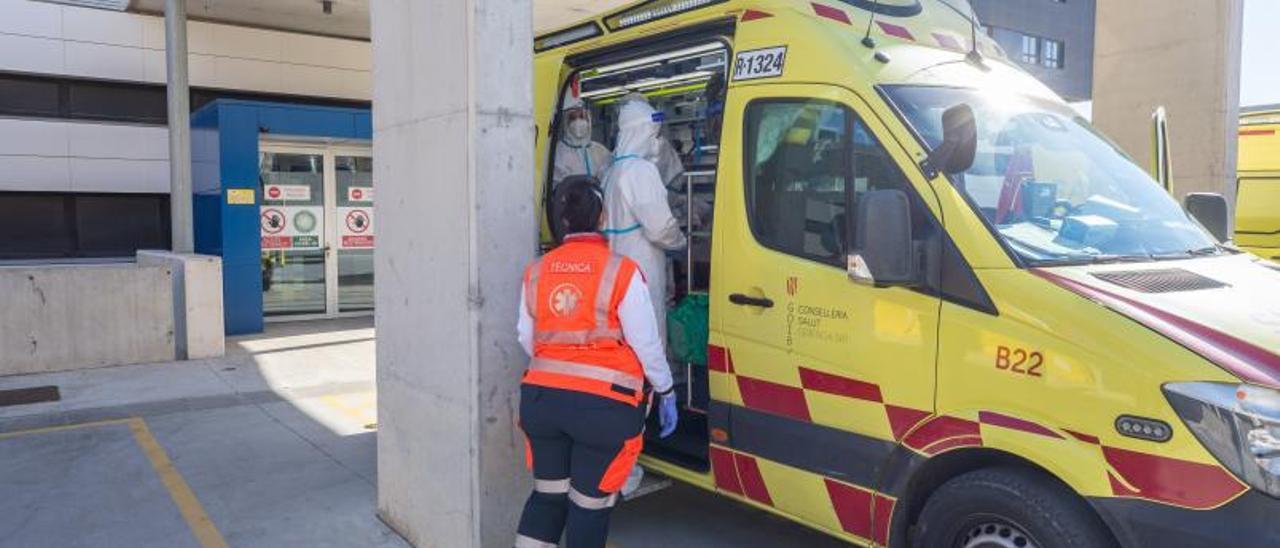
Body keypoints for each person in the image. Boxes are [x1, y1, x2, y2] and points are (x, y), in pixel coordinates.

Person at [515, 178, 679, 548]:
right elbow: (645, 342)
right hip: (604, 409)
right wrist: (666, 389)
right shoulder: (621, 271)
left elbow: (526, 337)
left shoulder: (537, 271)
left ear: (561, 221)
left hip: (542, 401)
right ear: (603, 217)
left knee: (547, 498)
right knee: (590, 504)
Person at [601, 94, 687, 342]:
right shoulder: (641, 171)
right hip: (642, 268)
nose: (657, 141)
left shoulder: (611, 172)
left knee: (624, 332)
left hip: (616, 270)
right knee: (648, 333)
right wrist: (681, 243)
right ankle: (655, 382)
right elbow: (660, 228)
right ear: (641, 133)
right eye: (654, 134)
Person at [552, 92, 613, 189]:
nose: (578, 122)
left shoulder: (600, 150)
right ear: (566, 122)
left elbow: (611, 177)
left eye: (582, 117)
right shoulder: (558, 152)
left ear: (589, 120)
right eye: (573, 118)